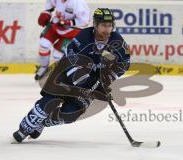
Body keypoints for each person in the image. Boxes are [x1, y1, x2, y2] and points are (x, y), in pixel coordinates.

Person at [13, 8, 131, 143]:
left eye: (110, 25)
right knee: (49, 102)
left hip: (91, 80)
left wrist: (105, 80)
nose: (107, 29)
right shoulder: (84, 37)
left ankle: (42, 123)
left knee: (71, 113)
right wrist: (94, 87)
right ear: (96, 24)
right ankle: (24, 128)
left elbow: (124, 63)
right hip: (65, 75)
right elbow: (71, 63)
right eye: (104, 25)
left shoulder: (117, 40)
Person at [35, 0, 90, 80]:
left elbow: (85, 21)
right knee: (44, 44)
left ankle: (64, 75)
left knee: (58, 55)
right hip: (56, 25)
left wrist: (69, 22)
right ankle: (44, 67)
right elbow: (50, 5)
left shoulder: (78, 2)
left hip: (72, 31)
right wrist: (46, 12)